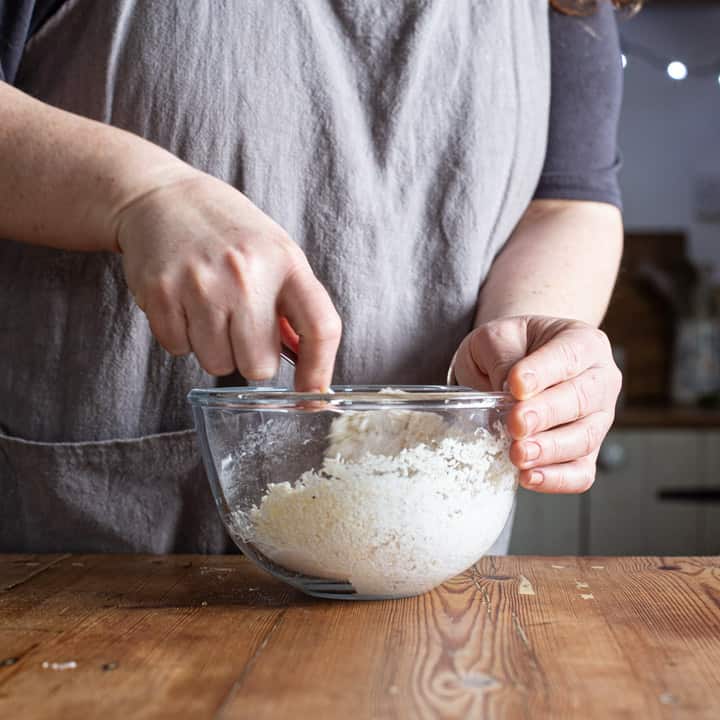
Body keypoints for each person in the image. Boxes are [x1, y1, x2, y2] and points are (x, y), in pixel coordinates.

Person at [0, 0, 633, 553]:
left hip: (426, 557)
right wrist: (139, 193)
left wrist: (526, 336)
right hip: (86, 564)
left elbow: (565, 202)